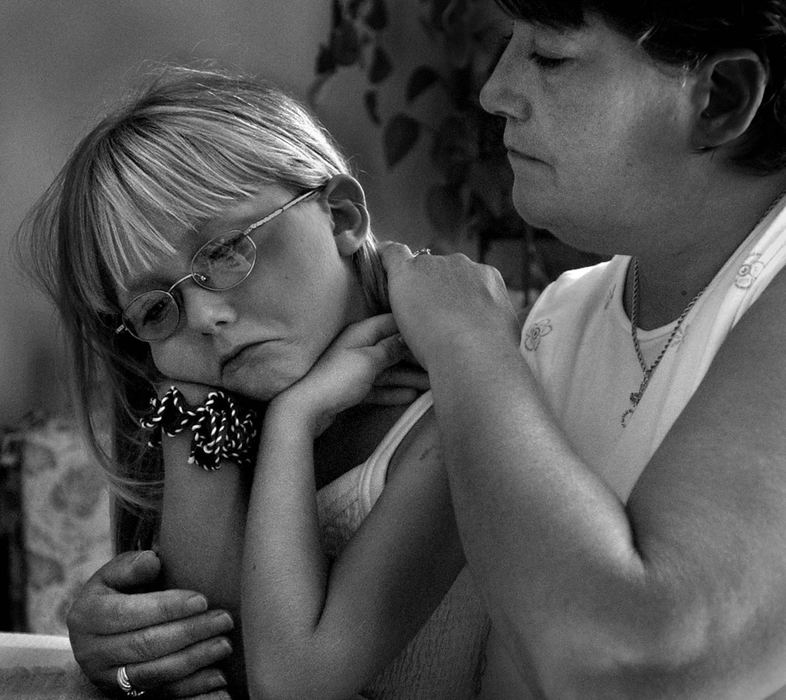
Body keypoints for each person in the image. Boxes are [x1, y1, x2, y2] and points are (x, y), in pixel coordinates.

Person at [21, 66, 490, 699]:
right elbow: (215, 671)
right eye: (157, 309)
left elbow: (287, 688)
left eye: (224, 252)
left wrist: (295, 420)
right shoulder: (207, 409)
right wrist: (120, 669)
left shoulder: (452, 401)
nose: (207, 319)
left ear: (343, 216)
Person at [378, 0, 786, 698]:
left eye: (550, 55)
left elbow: (633, 665)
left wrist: (469, 343)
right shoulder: (563, 317)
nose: (494, 91)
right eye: (509, 44)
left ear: (721, 99)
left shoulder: (491, 344)